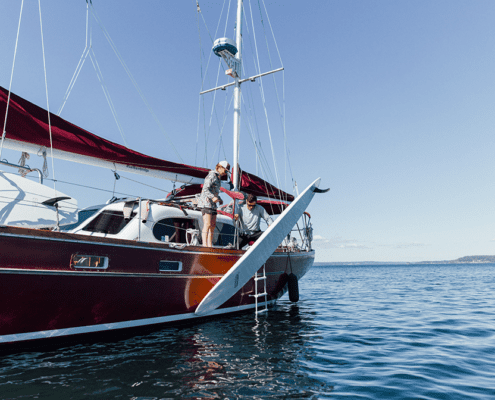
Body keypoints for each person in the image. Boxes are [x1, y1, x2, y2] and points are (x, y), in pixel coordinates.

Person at [197, 161, 230, 247]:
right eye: (225, 170)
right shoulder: (212, 175)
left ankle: (209, 244)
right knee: (207, 224)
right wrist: (212, 197)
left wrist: (219, 199)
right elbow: (205, 189)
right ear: (220, 167)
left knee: (213, 225)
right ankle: (205, 244)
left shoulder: (218, 177)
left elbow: (214, 191)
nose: (225, 173)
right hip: (206, 202)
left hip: (213, 204)